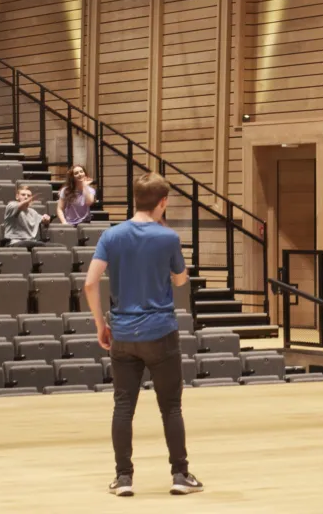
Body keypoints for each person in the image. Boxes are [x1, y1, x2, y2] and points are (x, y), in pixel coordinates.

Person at [85, 172, 202, 499]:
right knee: (171, 407)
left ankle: (124, 478)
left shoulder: (112, 235)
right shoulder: (168, 238)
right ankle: (180, 474)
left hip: (122, 333)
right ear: (162, 202)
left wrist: (100, 325)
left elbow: (90, 283)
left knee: (123, 406)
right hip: (161, 333)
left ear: (135, 199)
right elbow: (180, 282)